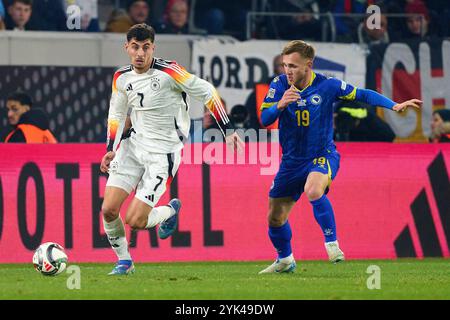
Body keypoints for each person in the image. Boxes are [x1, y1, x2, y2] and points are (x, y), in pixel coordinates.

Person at [258, 40, 422, 273]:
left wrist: (393, 105)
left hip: (321, 155)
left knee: (313, 190)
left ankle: (332, 243)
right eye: (285, 65)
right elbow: (264, 119)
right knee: (275, 218)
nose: (288, 71)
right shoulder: (279, 84)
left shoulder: (328, 86)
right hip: (291, 161)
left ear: (308, 65)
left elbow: (362, 95)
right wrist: (281, 104)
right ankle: (285, 260)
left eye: (293, 66)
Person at [100, 23, 243, 275]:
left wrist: (228, 130)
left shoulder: (170, 72)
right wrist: (111, 148)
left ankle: (170, 210)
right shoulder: (121, 77)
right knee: (109, 209)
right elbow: (117, 113)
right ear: (127, 48)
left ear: (153, 47)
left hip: (162, 154)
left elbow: (207, 91)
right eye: (135, 47)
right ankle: (124, 261)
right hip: (133, 147)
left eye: (146, 47)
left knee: (136, 220)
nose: (140, 53)